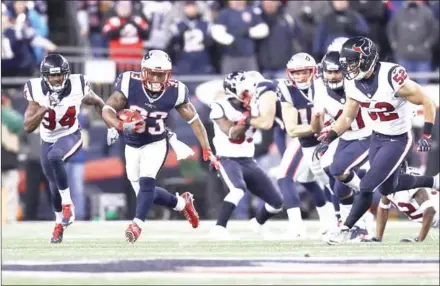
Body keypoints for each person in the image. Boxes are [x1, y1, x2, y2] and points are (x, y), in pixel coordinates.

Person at [316, 36, 439, 244]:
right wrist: (329, 137)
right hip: (377, 136)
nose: (349, 69)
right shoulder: (354, 84)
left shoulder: (390, 76)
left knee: (366, 186)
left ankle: (345, 229)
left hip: (398, 139)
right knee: (387, 188)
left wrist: (426, 134)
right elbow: (347, 116)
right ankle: (434, 181)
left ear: (367, 60)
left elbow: (427, 101)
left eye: (353, 63)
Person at [101, 50, 220, 243]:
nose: (156, 79)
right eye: (153, 73)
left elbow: (195, 121)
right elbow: (108, 109)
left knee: (147, 183)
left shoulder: (176, 90)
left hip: (156, 142)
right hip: (132, 144)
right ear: (143, 72)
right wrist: (119, 125)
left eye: (161, 74)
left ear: (169, 74)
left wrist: (206, 147)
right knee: (144, 193)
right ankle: (182, 203)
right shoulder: (129, 83)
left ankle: (137, 225)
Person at [23, 53, 112, 243]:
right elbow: (28, 126)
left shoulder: (78, 85)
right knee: (53, 186)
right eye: (52, 75)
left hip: (71, 134)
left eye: (60, 75)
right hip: (47, 139)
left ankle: (67, 206)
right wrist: (45, 107)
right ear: (44, 76)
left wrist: (111, 126)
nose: (56, 79)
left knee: (56, 156)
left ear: (67, 74)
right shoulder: (35, 89)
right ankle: (59, 224)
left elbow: (98, 103)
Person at [208, 71, 284, 239]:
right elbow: (233, 133)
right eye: (246, 91)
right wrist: (247, 117)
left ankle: (257, 223)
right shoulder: (220, 105)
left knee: (277, 203)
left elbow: (269, 119)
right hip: (226, 158)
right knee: (237, 189)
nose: (251, 95)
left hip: (248, 160)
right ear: (234, 91)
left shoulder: (255, 105)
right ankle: (219, 228)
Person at [313, 50, 373, 230]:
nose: (333, 76)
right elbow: (318, 127)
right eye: (329, 72)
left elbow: (347, 119)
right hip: (344, 137)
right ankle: (352, 226)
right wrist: (317, 120)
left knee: (338, 169)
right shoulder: (320, 88)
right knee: (339, 188)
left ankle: (365, 203)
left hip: (367, 135)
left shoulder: (356, 84)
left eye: (337, 71)